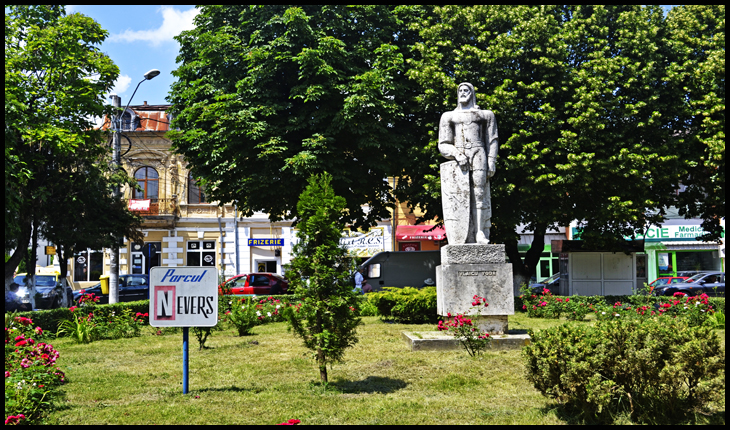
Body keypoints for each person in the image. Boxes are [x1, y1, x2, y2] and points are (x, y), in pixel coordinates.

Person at [438, 82, 499, 244]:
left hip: (479, 153)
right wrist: (457, 154)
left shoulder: (485, 115)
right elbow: (443, 144)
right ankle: (463, 234)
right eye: (461, 90)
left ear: (472, 94)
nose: (463, 93)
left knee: (479, 193)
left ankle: (480, 232)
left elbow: (492, 139)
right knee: (461, 194)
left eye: (467, 90)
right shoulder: (448, 116)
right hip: (460, 157)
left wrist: (491, 161)